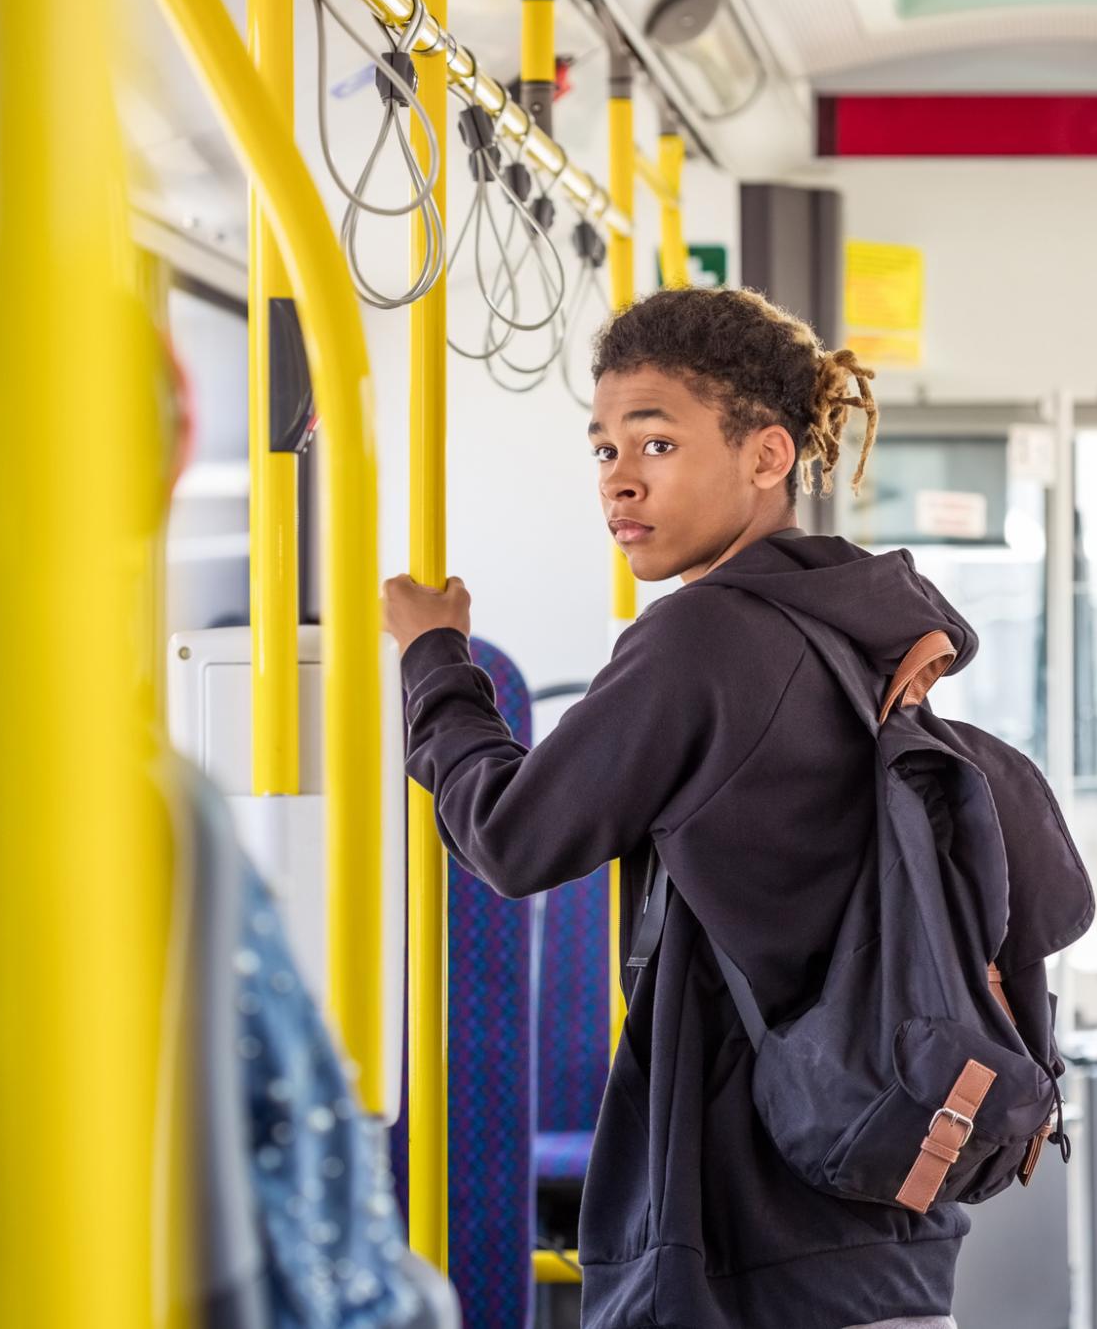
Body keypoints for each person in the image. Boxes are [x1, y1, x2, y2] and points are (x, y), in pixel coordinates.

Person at [383, 287, 984, 1329]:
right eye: (603, 450)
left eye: (654, 443)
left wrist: (437, 662)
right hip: (867, 1209)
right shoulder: (854, 635)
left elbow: (513, 838)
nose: (619, 481)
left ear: (766, 456)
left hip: (746, 1236)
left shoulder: (702, 638)